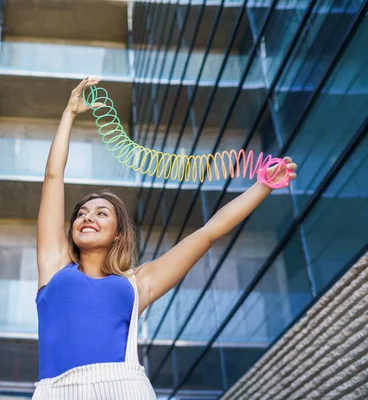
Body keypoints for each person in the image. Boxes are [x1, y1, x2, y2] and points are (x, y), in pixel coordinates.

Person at [33, 77, 297, 399]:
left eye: (102, 213)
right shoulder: (53, 266)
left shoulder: (138, 283)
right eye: (82, 213)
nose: (88, 216)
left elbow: (210, 232)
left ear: (118, 235)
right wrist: (69, 113)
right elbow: (52, 178)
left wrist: (263, 187)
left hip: (123, 387)